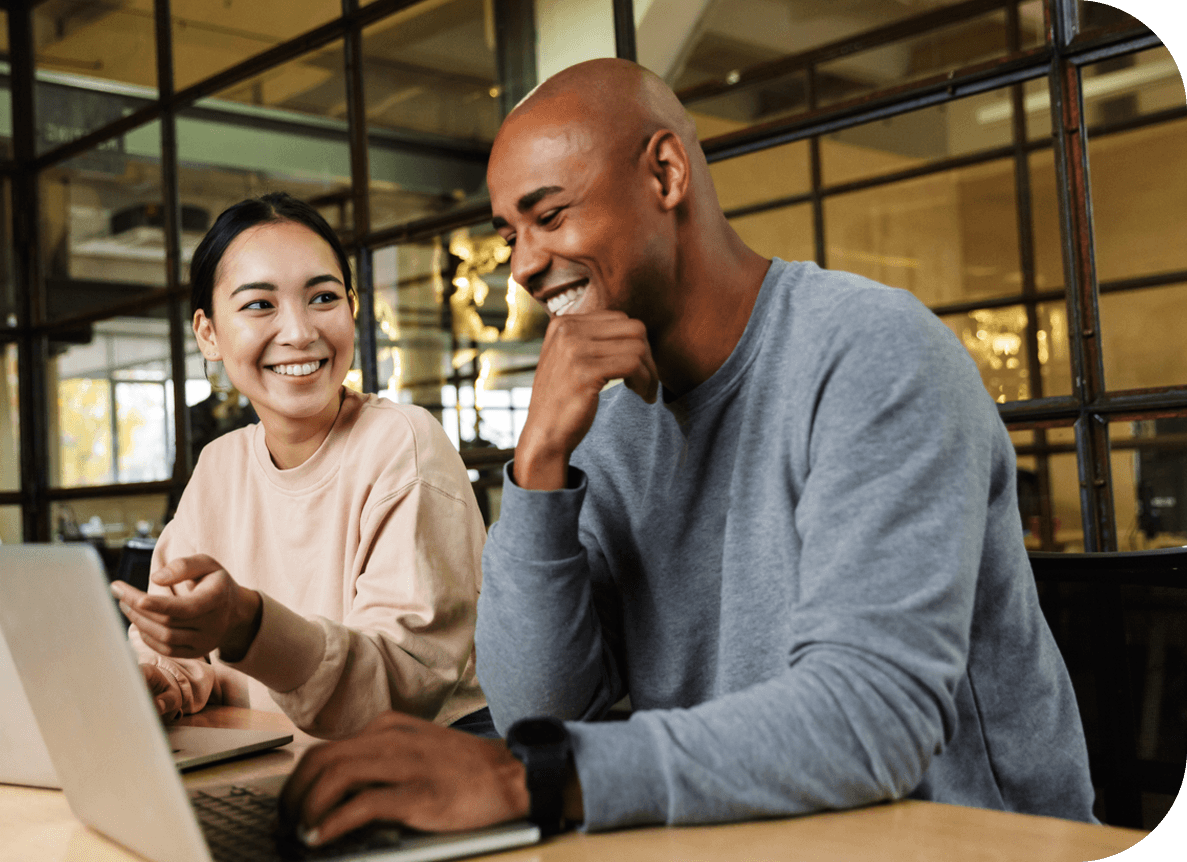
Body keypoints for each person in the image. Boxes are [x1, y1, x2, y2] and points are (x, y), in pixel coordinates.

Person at [277, 58, 1095, 843]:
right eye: (509, 233)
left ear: (666, 175)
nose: (522, 265)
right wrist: (537, 467)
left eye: (549, 214)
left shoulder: (870, 351)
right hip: (744, 841)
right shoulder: (609, 421)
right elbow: (545, 710)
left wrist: (520, 778)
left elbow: (872, 720)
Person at [110, 193, 491, 740]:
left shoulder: (403, 443)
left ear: (353, 310)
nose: (300, 331)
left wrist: (248, 623)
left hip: (424, 760)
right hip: (275, 751)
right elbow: (172, 635)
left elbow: (395, 686)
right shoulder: (220, 465)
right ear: (209, 334)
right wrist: (163, 676)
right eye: (260, 305)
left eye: (323, 297)